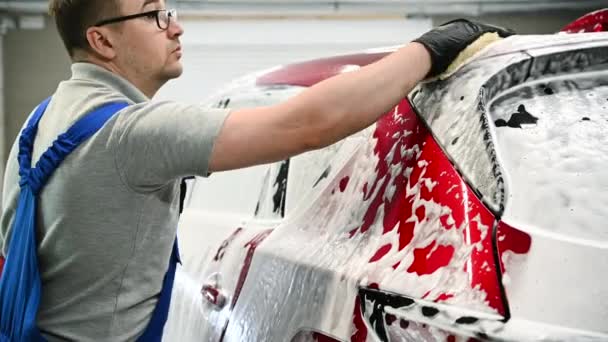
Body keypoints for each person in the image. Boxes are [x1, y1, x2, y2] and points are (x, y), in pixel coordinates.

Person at [0, 0, 513, 340]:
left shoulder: (40, 121)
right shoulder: (133, 133)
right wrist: (426, 51)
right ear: (103, 41)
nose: (175, 25)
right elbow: (309, 124)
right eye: (153, 14)